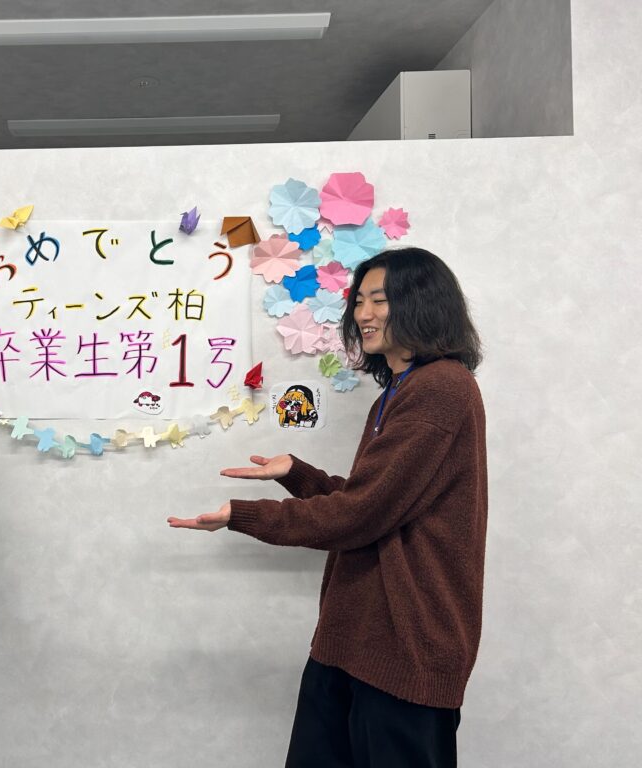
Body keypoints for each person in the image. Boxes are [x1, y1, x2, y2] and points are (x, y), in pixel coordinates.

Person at [169, 247, 486, 768]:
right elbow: (377, 501)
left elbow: (362, 513)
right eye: (358, 301)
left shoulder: (442, 388)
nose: (363, 313)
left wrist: (245, 515)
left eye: (379, 300)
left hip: (405, 646)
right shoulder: (398, 392)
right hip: (353, 638)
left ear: (422, 305)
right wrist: (297, 474)